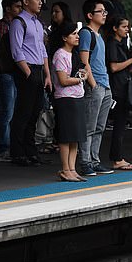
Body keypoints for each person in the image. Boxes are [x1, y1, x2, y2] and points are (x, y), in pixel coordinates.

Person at [9, 0, 52, 167]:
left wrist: (47, 75)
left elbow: (42, 50)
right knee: (23, 113)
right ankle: (18, 153)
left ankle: (31, 152)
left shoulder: (37, 23)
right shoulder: (19, 22)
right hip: (27, 71)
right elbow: (16, 50)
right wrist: (27, 72)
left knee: (35, 113)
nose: (40, 2)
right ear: (26, 1)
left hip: (39, 71)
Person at [78, 0, 114, 176]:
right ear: (90, 15)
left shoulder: (99, 35)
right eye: (101, 11)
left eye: (105, 11)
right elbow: (84, 61)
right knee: (89, 126)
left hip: (104, 84)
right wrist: (92, 84)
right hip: (96, 85)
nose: (105, 14)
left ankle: (94, 160)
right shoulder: (86, 33)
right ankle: (85, 162)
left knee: (99, 126)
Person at [49, 22, 88, 182]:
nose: (77, 36)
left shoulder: (75, 54)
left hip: (77, 96)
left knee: (75, 135)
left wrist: (81, 77)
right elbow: (63, 80)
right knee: (65, 136)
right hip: (65, 99)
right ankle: (65, 168)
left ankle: (72, 168)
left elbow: (81, 72)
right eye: (73, 34)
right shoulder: (60, 54)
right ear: (65, 37)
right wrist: (80, 78)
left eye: (77, 33)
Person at [105, 14, 132, 170]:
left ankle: (117, 156)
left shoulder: (121, 43)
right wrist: (131, 61)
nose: (127, 29)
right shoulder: (112, 44)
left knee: (121, 124)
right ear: (115, 28)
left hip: (123, 85)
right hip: (117, 88)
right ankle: (117, 158)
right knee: (119, 124)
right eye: (124, 27)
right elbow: (113, 67)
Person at [0, 0, 21, 162]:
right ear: (8, 8)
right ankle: (3, 148)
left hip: (13, 73)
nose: (20, 10)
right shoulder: (2, 26)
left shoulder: (16, 25)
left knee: (12, 111)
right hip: (5, 73)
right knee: (7, 112)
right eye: (17, 7)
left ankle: (10, 147)